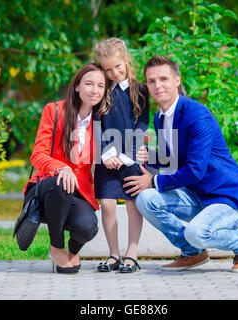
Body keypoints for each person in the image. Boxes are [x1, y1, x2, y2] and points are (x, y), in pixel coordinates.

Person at [123, 55, 238, 272]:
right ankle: (192, 253)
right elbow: (172, 158)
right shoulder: (160, 117)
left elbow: (195, 170)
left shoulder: (196, 115)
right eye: (152, 81)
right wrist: (151, 155)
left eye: (163, 79)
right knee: (146, 199)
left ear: (177, 80)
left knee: (196, 233)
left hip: (228, 197)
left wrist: (153, 180)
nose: (158, 86)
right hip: (197, 195)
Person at [22, 63, 110, 274]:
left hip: (80, 192)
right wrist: (62, 167)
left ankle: (72, 250)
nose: (94, 90)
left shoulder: (102, 121)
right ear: (77, 86)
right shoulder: (54, 110)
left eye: (100, 86)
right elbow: (38, 154)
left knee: (88, 227)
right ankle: (57, 246)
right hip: (48, 189)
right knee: (62, 184)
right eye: (89, 84)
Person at [92, 38, 149, 273]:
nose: (114, 72)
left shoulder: (141, 90)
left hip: (132, 157)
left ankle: (131, 254)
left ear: (126, 60)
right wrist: (107, 153)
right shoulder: (101, 90)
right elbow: (97, 124)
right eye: (107, 69)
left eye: (117, 66)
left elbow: (142, 125)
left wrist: (127, 155)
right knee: (107, 204)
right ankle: (113, 254)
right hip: (107, 158)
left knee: (133, 204)